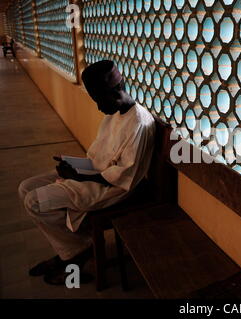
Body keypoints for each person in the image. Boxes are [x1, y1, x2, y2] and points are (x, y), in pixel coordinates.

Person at [18, 60, 156, 285]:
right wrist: (73, 166)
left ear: (115, 91)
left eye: (100, 101)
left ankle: (75, 251)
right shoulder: (114, 114)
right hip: (93, 176)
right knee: (25, 187)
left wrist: (78, 175)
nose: (99, 108)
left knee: (34, 201)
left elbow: (122, 178)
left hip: (112, 190)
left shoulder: (138, 123)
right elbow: (97, 159)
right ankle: (71, 247)